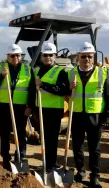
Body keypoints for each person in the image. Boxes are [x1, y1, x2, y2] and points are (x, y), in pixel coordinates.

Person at [68, 42, 109, 188]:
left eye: (89, 56)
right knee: (77, 147)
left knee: (94, 149)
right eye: (83, 56)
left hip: (95, 116)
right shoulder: (71, 73)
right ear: (78, 57)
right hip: (76, 115)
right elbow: (64, 93)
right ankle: (80, 172)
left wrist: (107, 117)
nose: (86, 59)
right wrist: (69, 88)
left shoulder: (102, 73)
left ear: (93, 57)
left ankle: (95, 176)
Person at [0, 44, 35, 170]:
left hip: (21, 107)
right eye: (12, 55)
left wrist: (30, 106)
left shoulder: (28, 69)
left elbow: (32, 90)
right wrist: (2, 76)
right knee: (4, 133)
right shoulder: (0, 67)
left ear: (21, 56)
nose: (15, 57)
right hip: (5, 105)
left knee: (21, 132)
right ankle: (5, 157)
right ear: (8, 56)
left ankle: (20, 156)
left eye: (17, 55)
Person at [33, 42, 69, 171]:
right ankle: (46, 163)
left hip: (54, 110)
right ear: (42, 56)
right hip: (40, 109)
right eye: (45, 55)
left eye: (50, 55)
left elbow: (62, 90)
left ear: (55, 56)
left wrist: (43, 85)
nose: (48, 57)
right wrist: (32, 107)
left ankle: (51, 164)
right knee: (44, 138)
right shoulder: (37, 70)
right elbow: (33, 91)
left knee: (52, 139)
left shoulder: (60, 71)